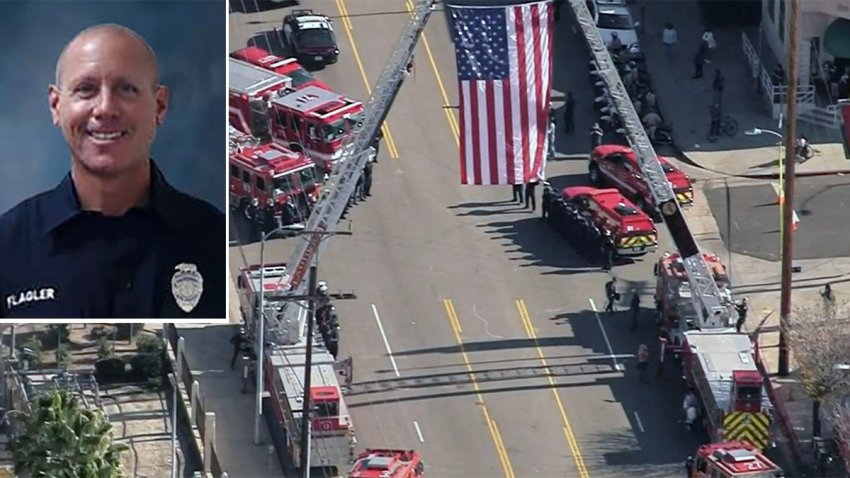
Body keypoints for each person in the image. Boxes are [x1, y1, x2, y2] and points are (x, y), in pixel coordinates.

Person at [0, 24, 224, 319]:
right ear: (56, 106)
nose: (105, 108)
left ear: (159, 105)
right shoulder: (8, 246)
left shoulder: (213, 239)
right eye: (85, 89)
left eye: (126, 89)